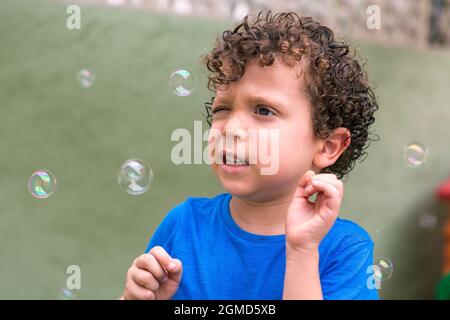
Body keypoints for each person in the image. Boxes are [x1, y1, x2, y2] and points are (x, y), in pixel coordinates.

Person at [121, 11, 379, 300]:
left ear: (328, 146)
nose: (231, 127)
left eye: (263, 111)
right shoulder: (183, 225)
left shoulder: (345, 249)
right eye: (222, 109)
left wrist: (303, 250)